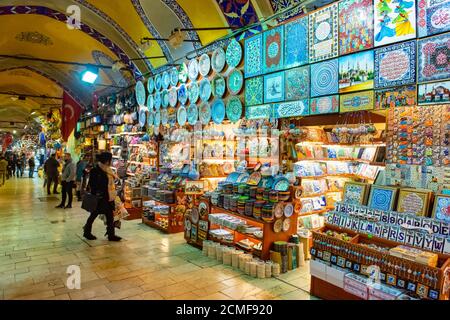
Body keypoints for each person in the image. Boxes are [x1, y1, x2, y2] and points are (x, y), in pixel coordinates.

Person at [83, 152, 122, 241]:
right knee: (93, 215)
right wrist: (98, 193)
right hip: (100, 198)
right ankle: (87, 232)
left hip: (109, 197)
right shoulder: (95, 170)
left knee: (110, 216)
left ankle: (111, 235)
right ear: (107, 161)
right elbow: (92, 184)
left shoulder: (108, 170)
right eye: (110, 160)